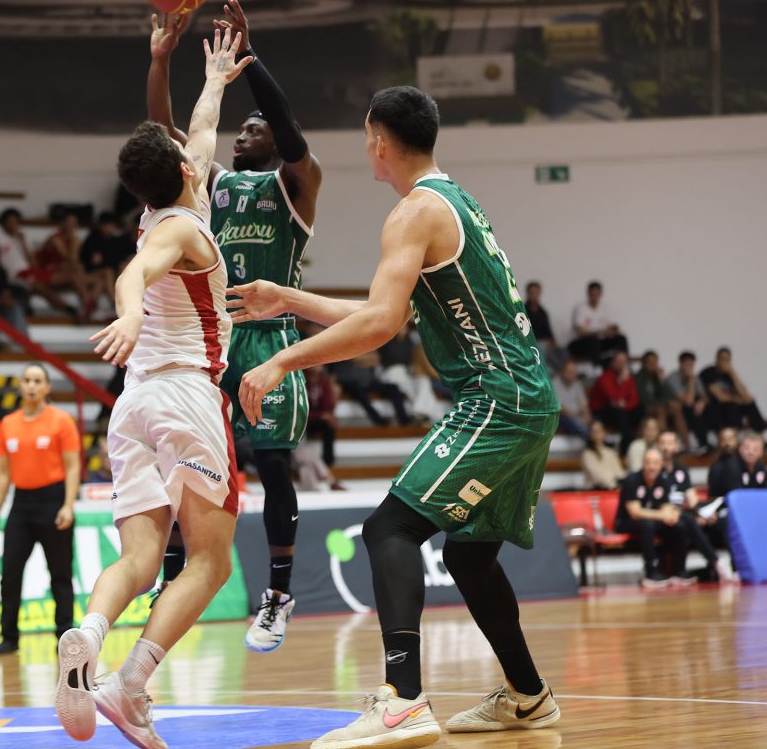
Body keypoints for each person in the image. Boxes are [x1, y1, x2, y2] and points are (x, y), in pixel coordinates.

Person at [233, 86, 561, 747]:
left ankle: (403, 699)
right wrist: (287, 298)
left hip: (497, 399)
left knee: (390, 528)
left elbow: (381, 326)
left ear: (380, 140)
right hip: (528, 398)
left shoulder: (413, 212)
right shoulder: (451, 200)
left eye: (366, 136)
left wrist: (281, 361)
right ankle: (528, 697)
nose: (365, 148)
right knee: (469, 557)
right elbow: (390, 310)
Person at [54, 29, 251, 748]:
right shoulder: (180, 231)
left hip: (132, 404)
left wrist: (204, 75)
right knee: (211, 560)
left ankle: (89, 633)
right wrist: (132, 310)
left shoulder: (166, 205)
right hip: (185, 398)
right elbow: (135, 271)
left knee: (139, 560)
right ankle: (129, 682)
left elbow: (198, 128)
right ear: (185, 170)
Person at [147, 0, 323, 652]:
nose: (243, 134)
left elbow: (290, 129)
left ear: (275, 142)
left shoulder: (296, 186)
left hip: (271, 343)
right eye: (240, 128)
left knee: (273, 466)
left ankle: (277, 594)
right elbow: (164, 134)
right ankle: (169, 582)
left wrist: (249, 59)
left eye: (255, 129)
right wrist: (161, 61)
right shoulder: (211, 186)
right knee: (181, 466)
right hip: (214, 343)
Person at [0, 364, 81, 656]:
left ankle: (64, 633)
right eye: (27, 380)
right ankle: (9, 636)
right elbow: (4, 473)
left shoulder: (61, 421)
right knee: (10, 573)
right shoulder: (8, 424)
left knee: (60, 573)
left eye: (37, 381)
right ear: (20, 385)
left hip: (53, 500)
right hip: (21, 505)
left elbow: (73, 466)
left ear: (47, 387)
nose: (31, 386)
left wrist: (68, 505)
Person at [613, 448, 689, 589]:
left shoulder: (663, 480)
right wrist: (662, 515)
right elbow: (635, 512)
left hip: (651, 522)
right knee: (647, 525)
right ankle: (651, 572)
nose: (651, 467)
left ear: (661, 464)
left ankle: (679, 571)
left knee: (678, 525)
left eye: (655, 463)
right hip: (625, 522)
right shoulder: (632, 480)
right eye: (648, 462)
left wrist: (671, 515)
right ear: (643, 463)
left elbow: (667, 507)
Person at [656, 430, 722, 582]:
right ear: (657, 445)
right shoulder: (654, 469)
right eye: (663, 443)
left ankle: (711, 568)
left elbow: (692, 498)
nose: (666, 447)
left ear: (676, 446)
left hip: (682, 516)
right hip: (662, 516)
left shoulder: (681, 469)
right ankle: (714, 561)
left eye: (670, 443)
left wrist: (702, 513)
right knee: (685, 521)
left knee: (710, 520)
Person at [699, 347, 767, 433]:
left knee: (750, 402)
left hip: (732, 406)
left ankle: (760, 432)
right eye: (722, 359)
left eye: (727, 360)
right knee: (731, 405)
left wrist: (732, 373)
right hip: (715, 409)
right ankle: (734, 435)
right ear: (717, 359)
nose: (724, 362)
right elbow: (720, 397)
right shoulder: (708, 373)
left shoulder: (729, 374)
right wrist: (737, 399)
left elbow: (745, 395)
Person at [589, 350, 640, 455]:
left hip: (620, 410)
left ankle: (633, 442)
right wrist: (623, 381)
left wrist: (625, 405)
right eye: (619, 361)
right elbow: (615, 399)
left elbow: (634, 399)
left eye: (624, 362)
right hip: (601, 411)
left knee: (638, 411)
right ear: (612, 362)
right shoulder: (605, 377)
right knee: (622, 414)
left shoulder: (628, 377)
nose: (622, 365)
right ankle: (626, 447)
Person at [567, 281, 627, 364]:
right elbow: (580, 331)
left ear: (601, 293)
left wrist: (611, 331)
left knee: (621, 338)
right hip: (583, 342)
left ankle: (623, 363)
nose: (595, 296)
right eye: (593, 294)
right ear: (588, 293)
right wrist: (599, 332)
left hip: (601, 341)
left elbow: (614, 326)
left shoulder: (606, 307)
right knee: (593, 341)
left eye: (597, 293)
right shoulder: (580, 308)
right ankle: (597, 367)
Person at [667, 351, 711, 452]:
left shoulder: (695, 377)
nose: (689, 368)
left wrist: (702, 402)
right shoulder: (673, 378)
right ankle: (691, 445)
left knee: (708, 408)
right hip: (675, 409)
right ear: (680, 364)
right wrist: (691, 380)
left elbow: (704, 396)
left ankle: (708, 444)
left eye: (691, 365)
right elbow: (687, 401)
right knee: (692, 410)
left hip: (691, 408)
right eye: (687, 365)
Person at [634, 351, 675, 432]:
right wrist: (662, 402)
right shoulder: (638, 377)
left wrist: (662, 381)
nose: (653, 365)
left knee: (676, 407)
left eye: (655, 363)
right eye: (650, 363)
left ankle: (684, 439)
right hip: (644, 407)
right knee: (660, 409)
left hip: (659, 405)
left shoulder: (657, 376)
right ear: (644, 363)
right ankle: (662, 435)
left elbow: (669, 396)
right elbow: (644, 399)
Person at [553, 358, 591, 440]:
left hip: (577, 416)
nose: (572, 374)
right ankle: (590, 440)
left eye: (574, 372)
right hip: (562, 417)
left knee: (594, 422)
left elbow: (583, 404)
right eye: (569, 371)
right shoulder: (554, 383)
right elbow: (559, 407)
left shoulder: (577, 383)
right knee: (578, 425)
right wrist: (576, 417)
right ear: (563, 371)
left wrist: (586, 414)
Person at [581, 421, 623, 490]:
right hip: (595, 491)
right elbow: (596, 476)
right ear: (590, 435)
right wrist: (613, 485)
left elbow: (619, 473)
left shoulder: (611, 452)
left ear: (604, 432)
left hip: (613, 488)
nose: (597, 434)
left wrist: (622, 483)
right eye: (594, 431)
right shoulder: (587, 454)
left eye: (599, 430)